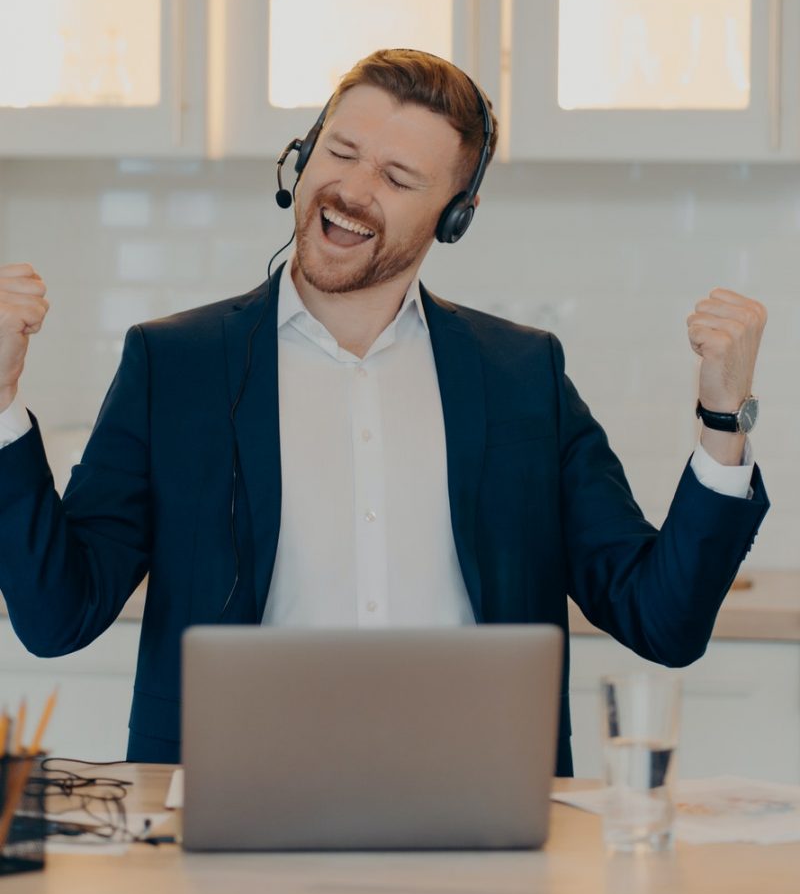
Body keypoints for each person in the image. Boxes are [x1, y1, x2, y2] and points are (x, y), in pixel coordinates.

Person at [0, 49, 768, 774]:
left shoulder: (522, 375)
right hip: (229, 812)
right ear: (300, 159)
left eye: (399, 177)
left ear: (455, 215)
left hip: (482, 815)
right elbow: (56, 617)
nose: (354, 189)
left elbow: (661, 622)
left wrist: (723, 414)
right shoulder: (174, 365)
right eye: (339, 152)